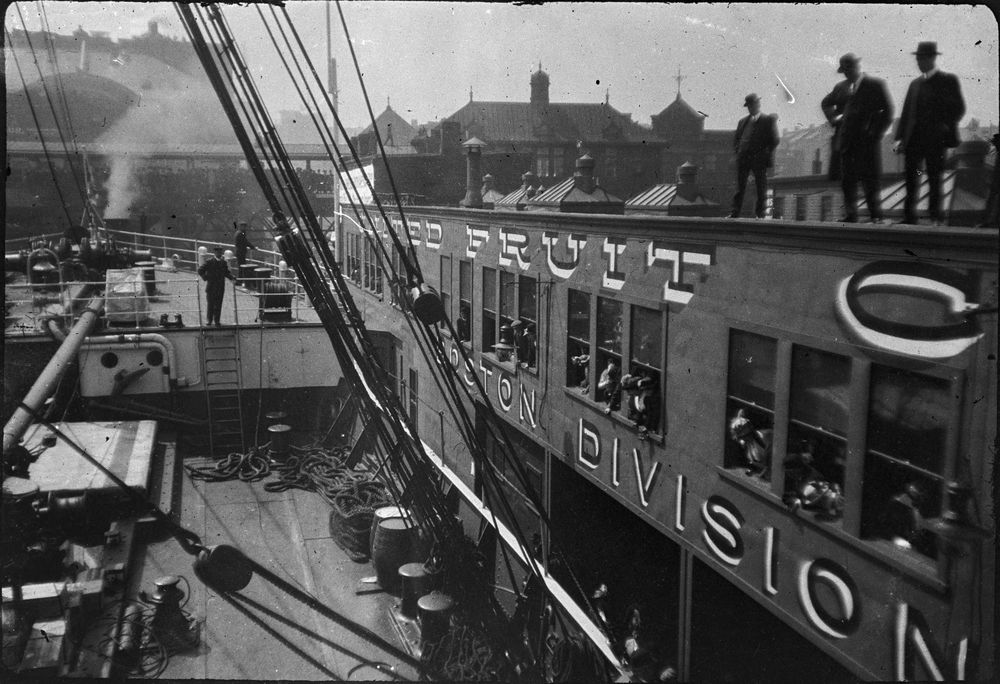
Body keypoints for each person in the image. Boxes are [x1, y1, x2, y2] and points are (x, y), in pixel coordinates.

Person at [893, 41, 966, 225]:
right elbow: (906, 113)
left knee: (934, 178)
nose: (918, 62)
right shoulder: (915, 84)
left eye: (922, 58)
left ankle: (935, 218)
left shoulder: (947, 80)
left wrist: (944, 126)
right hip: (914, 142)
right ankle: (909, 217)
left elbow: (958, 108)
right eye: (917, 59)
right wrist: (900, 138)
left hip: (935, 141)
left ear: (933, 58)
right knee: (912, 178)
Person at [821, 53, 894, 223]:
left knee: (870, 179)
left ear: (857, 67)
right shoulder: (841, 87)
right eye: (844, 72)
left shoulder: (875, 84)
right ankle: (851, 215)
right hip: (847, 142)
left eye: (848, 70)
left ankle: (876, 216)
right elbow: (826, 103)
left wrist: (875, 134)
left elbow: (889, 111)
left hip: (867, 142)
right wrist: (834, 118)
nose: (846, 74)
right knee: (848, 180)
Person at [729, 93, 780, 219]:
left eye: (753, 105)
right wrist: (738, 152)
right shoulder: (742, 122)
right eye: (749, 106)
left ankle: (760, 214)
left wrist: (765, 153)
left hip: (759, 159)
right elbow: (737, 139)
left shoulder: (768, 120)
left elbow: (775, 139)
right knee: (740, 187)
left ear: (758, 104)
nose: (751, 108)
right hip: (744, 159)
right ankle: (735, 212)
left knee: (760, 187)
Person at [198, 246, 235, 326]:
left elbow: (226, 273)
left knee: (218, 305)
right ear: (214, 253)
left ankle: (217, 321)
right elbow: (200, 270)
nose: (219, 254)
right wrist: (206, 277)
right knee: (210, 305)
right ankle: (209, 320)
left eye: (220, 252)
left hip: (220, 287)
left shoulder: (223, 262)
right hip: (211, 287)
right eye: (217, 252)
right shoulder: (209, 261)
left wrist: (232, 278)